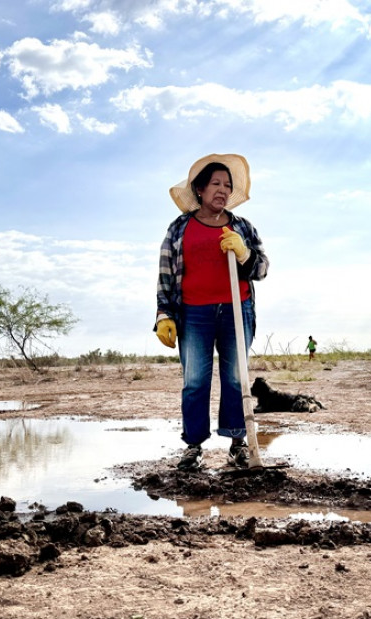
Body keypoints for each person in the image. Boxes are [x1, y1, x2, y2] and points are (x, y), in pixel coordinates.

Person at [154, 154, 269, 470]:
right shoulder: (180, 228)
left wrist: (244, 252)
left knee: (236, 379)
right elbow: (166, 273)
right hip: (193, 313)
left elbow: (262, 268)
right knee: (195, 380)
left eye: (228, 186)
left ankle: (237, 444)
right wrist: (164, 314)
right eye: (216, 184)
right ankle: (193, 446)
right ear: (200, 190)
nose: (222, 190)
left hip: (237, 310)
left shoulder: (242, 227)